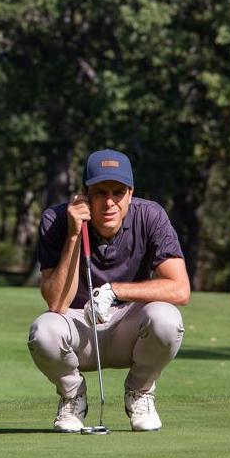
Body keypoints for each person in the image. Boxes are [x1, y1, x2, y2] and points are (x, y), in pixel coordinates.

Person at [28, 149, 190, 432]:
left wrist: (115, 291)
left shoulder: (150, 216)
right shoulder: (56, 219)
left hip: (128, 328)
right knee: (43, 331)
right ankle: (72, 397)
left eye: (118, 192)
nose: (109, 202)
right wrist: (74, 234)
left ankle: (139, 392)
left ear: (130, 193)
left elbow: (180, 289)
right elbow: (56, 303)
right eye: (100, 192)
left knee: (167, 319)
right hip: (79, 327)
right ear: (84, 194)